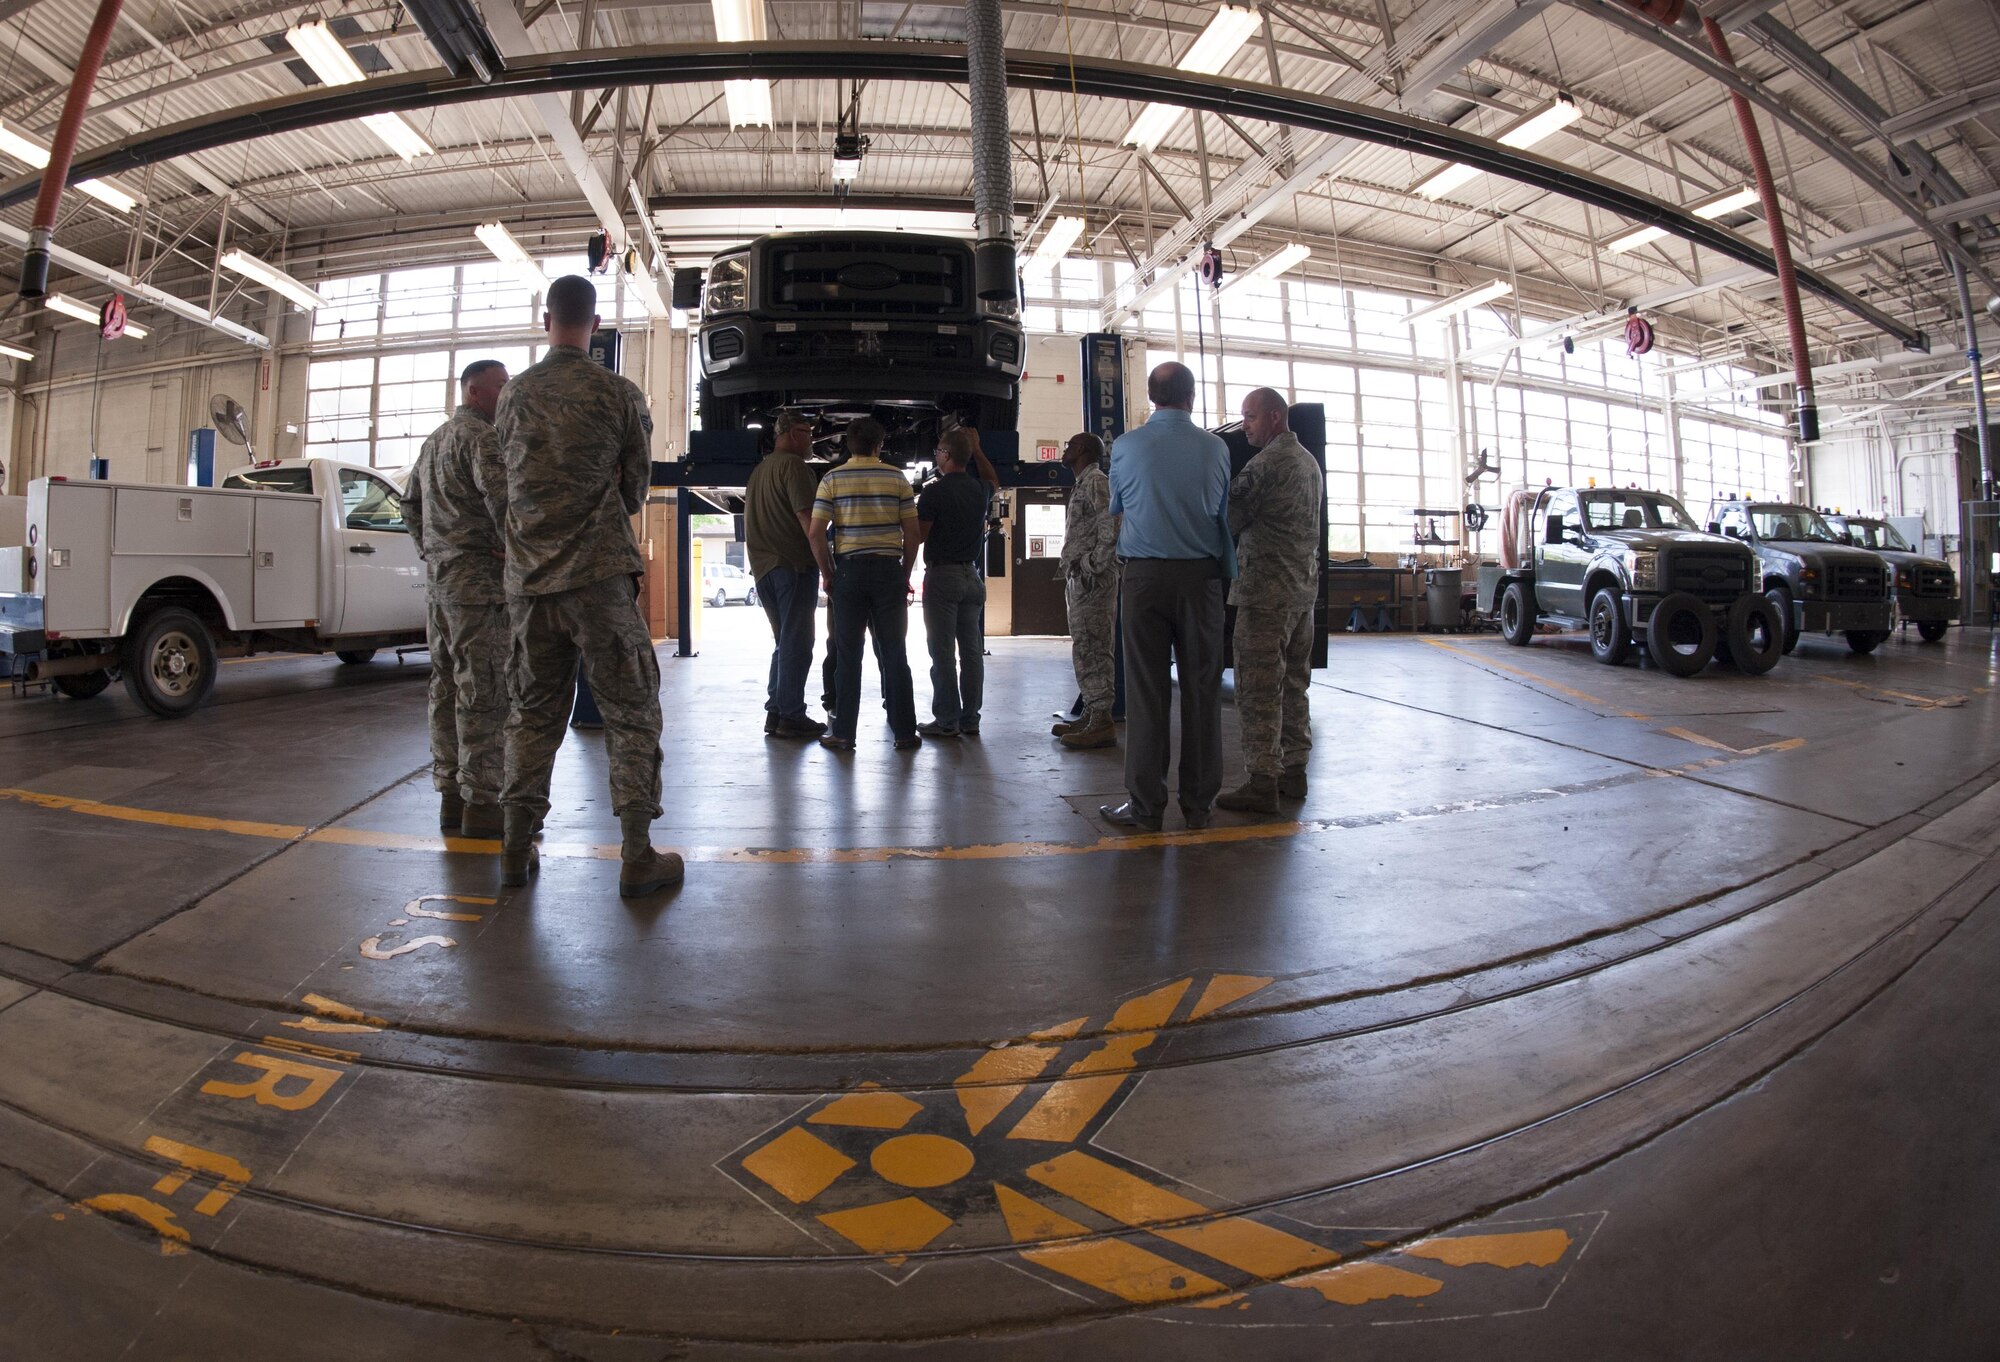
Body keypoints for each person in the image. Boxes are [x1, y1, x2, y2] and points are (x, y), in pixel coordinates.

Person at [492, 274, 683, 897]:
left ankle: (516, 852)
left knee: (531, 714)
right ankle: (636, 856)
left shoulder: (512, 397)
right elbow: (634, 489)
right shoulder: (619, 394)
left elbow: (502, 488)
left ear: (546, 319)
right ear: (594, 325)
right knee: (630, 712)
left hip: (528, 585)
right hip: (598, 577)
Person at [1098, 362, 1233, 832]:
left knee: (1146, 692)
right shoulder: (1217, 449)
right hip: (1202, 582)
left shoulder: (1125, 446)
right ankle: (1198, 805)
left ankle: (1145, 806)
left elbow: (1117, 505)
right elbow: (1219, 510)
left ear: (1152, 398)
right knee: (1202, 691)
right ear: (1191, 398)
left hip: (1144, 579)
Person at [403, 358, 509, 839]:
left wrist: (433, 548)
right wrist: (510, 546)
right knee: (484, 692)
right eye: (500, 386)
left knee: (445, 689)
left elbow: (408, 505)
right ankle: (485, 807)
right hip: (480, 590)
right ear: (474, 392)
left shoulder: (433, 442)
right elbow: (505, 502)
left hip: (440, 591)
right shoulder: (482, 438)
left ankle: (450, 798)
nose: (505, 394)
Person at [1217, 388, 1321, 814]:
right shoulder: (1308, 462)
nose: (1245, 425)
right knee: (1294, 684)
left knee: (1258, 689)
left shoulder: (1266, 464)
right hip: (1301, 594)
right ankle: (1294, 772)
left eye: (1251, 417)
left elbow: (1228, 519)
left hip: (1265, 596)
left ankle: (1262, 780)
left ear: (1275, 417)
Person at [808, 416, 922, 752]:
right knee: (895, 654)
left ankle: (844, 733)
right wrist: (904, 574)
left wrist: (828, 572)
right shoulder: (897, 478)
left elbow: (815, 534)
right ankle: (904, 732)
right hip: (888, 572)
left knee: (848, 656)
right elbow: (912, 534)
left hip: (849, 573)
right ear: (879, 445)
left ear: (849, 445)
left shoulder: (832, 479)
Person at [746, 410, 826, 739]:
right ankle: (791, 715)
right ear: (792, 433)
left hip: (764, 570)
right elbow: (811, 525)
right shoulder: (794, 467)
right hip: (792, 567)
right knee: (798, 642)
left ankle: (776, 711)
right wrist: (828, 568)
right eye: (807, 432)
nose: (811, 440)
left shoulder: (760, 471)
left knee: (784, 642)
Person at [913, 427, 997, 738]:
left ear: (946, 456)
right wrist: (977, 449)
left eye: (937, 451)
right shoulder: (979, 489)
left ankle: (947, 720)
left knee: (943, 651)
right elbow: (994, 481)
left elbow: (920, 535)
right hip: (972, 578)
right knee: (972, 652)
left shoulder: (935, 492)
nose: (935, 455)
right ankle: (970, 719)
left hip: (943, 577)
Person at [1053, 432, 1120, 750]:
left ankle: (1102, 722)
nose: (1065, 450)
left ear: (1081, 450)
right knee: (1084, 645)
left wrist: (1094, 564)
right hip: (1081, 580)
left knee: (1094, 646)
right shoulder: (1083, 482)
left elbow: (1113, 522)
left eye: (1069, 445)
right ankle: (1093, 712)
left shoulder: (1096, 480)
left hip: (1093, 579)